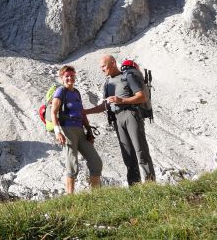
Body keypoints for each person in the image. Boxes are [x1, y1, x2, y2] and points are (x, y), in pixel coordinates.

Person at [85, 55, 155, 185]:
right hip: (117, 119)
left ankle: (151, 184)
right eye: (101, 67)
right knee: (127, 154)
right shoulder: (107, 83)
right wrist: (85, 112)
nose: (102, 69)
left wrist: (121, 100)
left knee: (140, 150)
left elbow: (142, 97)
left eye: (104, 66)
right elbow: (104, 105)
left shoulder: (127, 76)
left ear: (113, 63)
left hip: (131, 114)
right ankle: (134, 186)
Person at [52, 65, 102, 194]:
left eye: (72, 75)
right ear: (62, 78)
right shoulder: (60, 91)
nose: (70, 78)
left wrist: (89, 132)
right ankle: (70, 197)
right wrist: (58, 132)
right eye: (67, 76)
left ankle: (95, 195)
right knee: (72, 164)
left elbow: (82, 113)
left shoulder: (77, 92)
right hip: (66, 130)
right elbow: (53, 113)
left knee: (96, 162)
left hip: (80, 131)